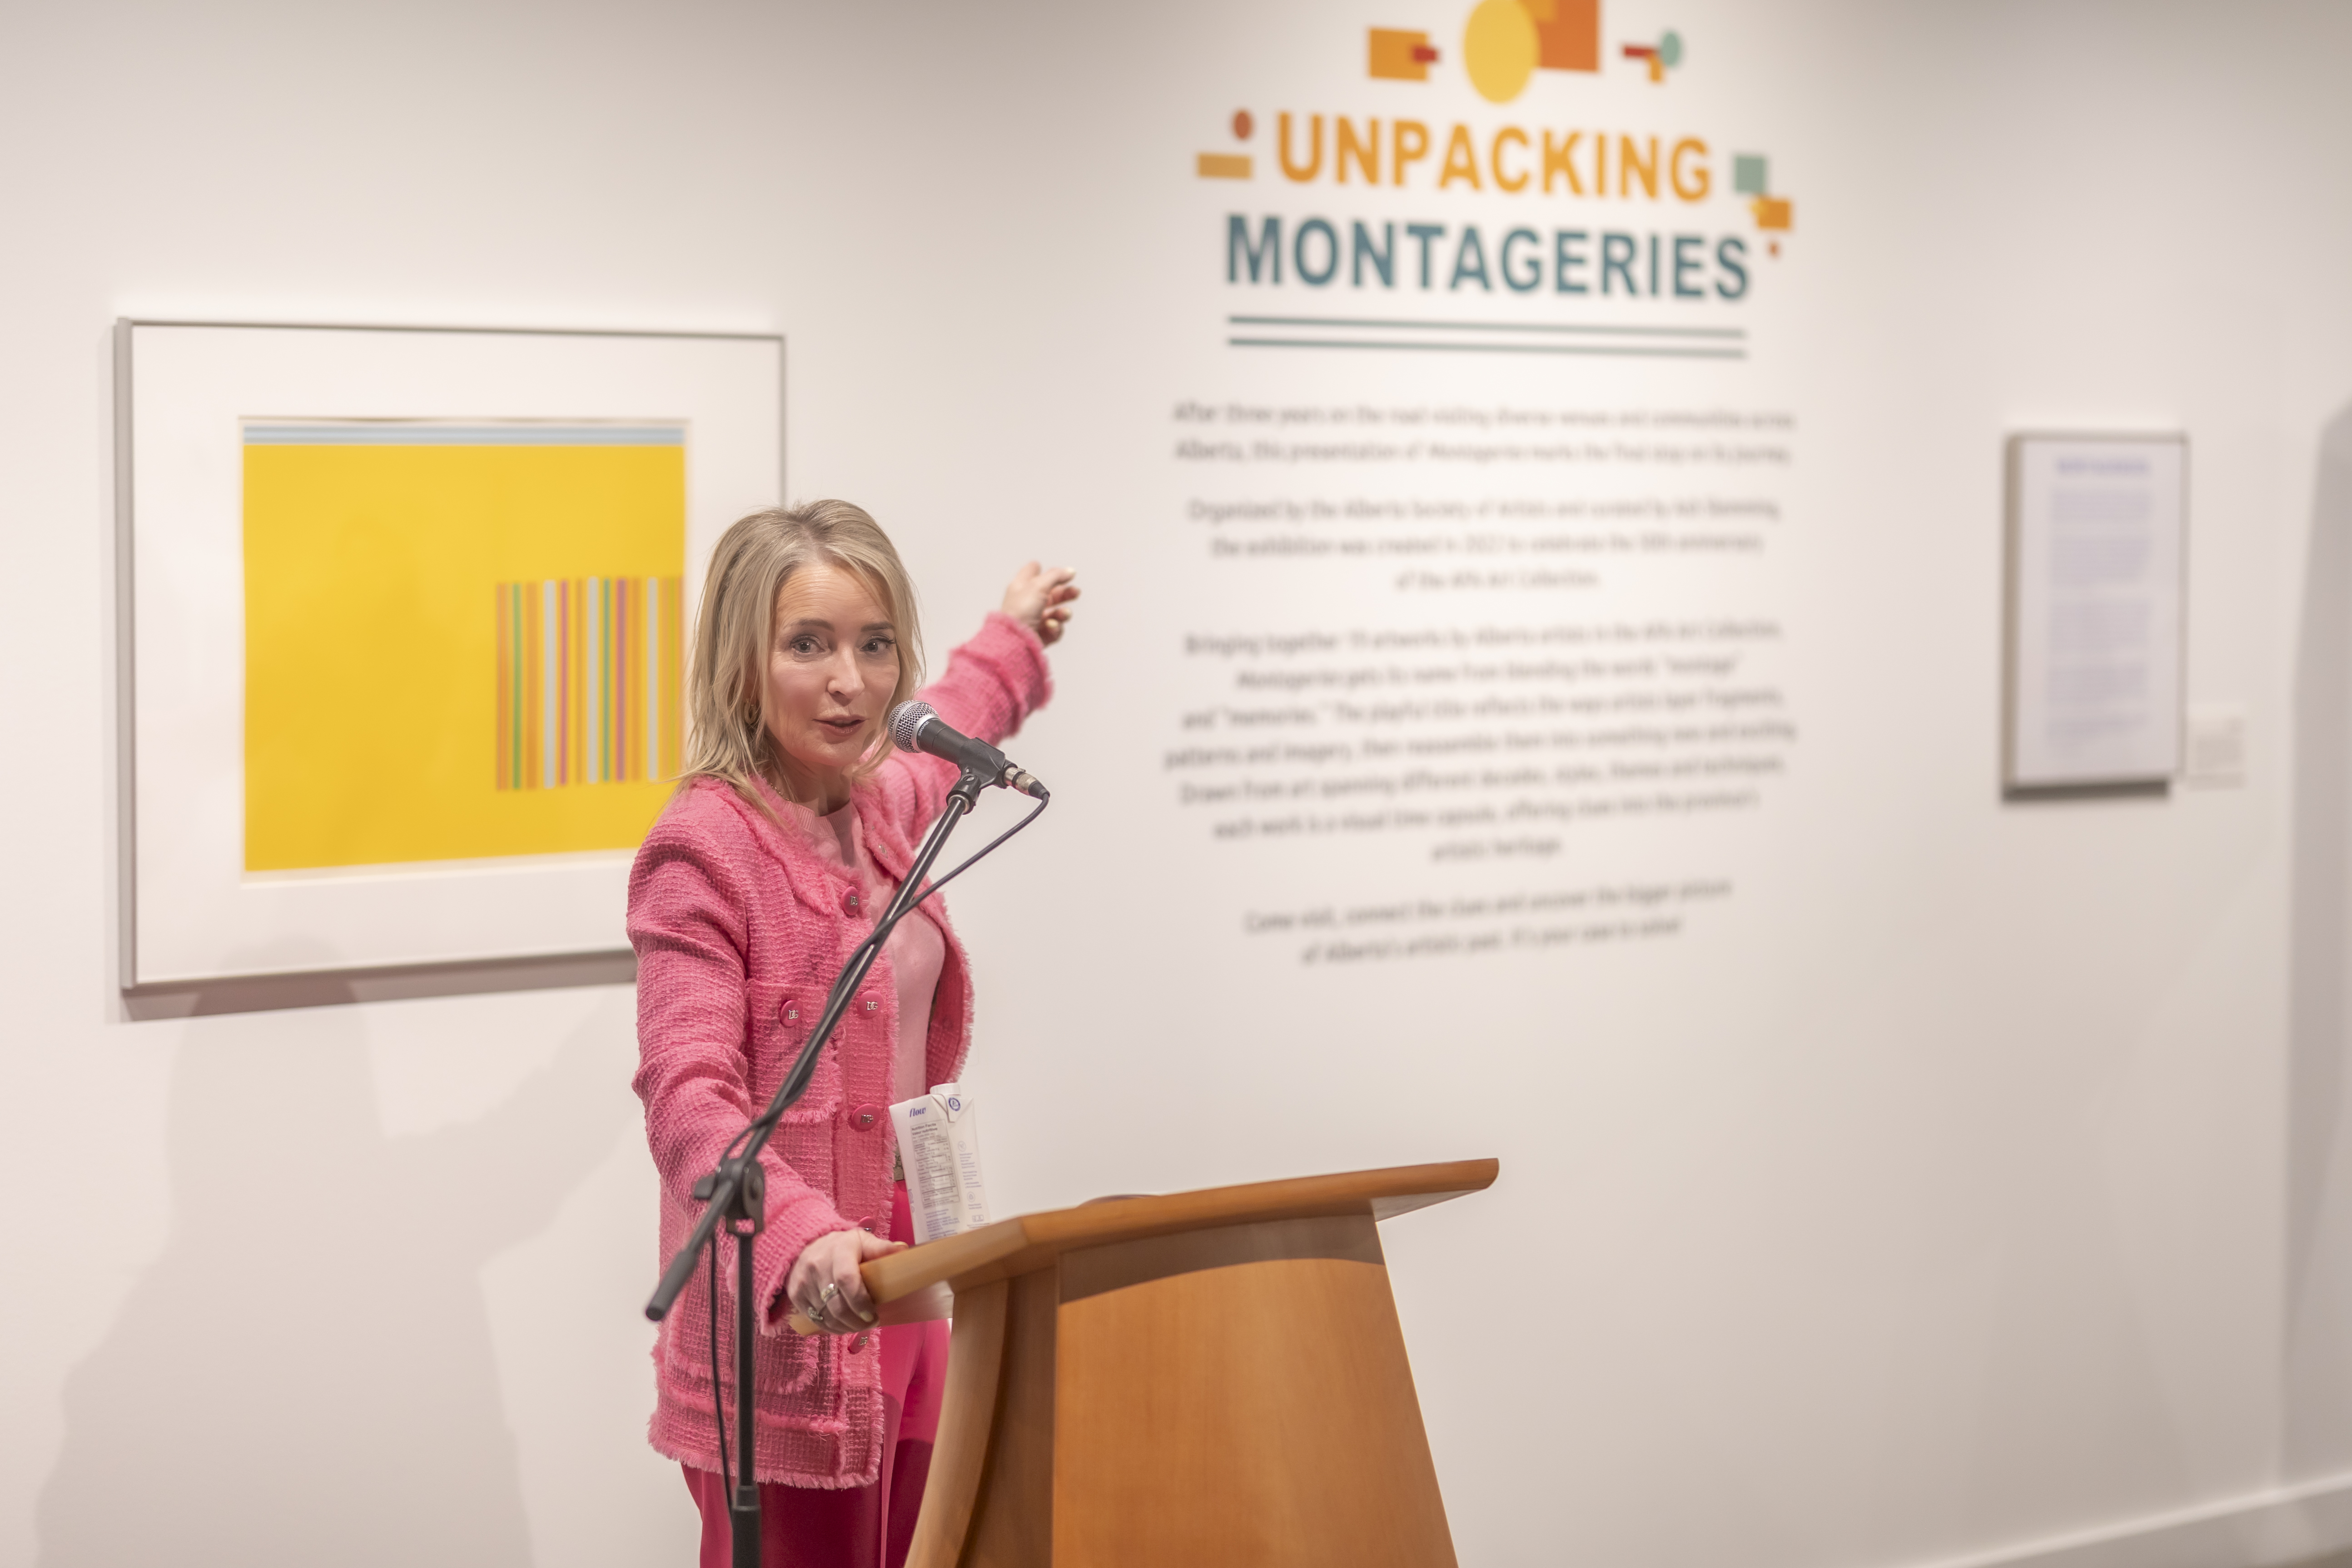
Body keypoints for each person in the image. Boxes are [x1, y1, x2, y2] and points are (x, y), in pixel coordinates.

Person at [628, 501, 1077, 1568]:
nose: (853, 682)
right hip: (796, 1308)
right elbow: (690, 1100)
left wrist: (1013, 632)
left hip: (916, 1270)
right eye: (810, 644)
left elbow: (956, 711)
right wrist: (806, 1238)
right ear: (743, 660)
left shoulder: (879, 798)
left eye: (876, 645)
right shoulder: (703, 849)